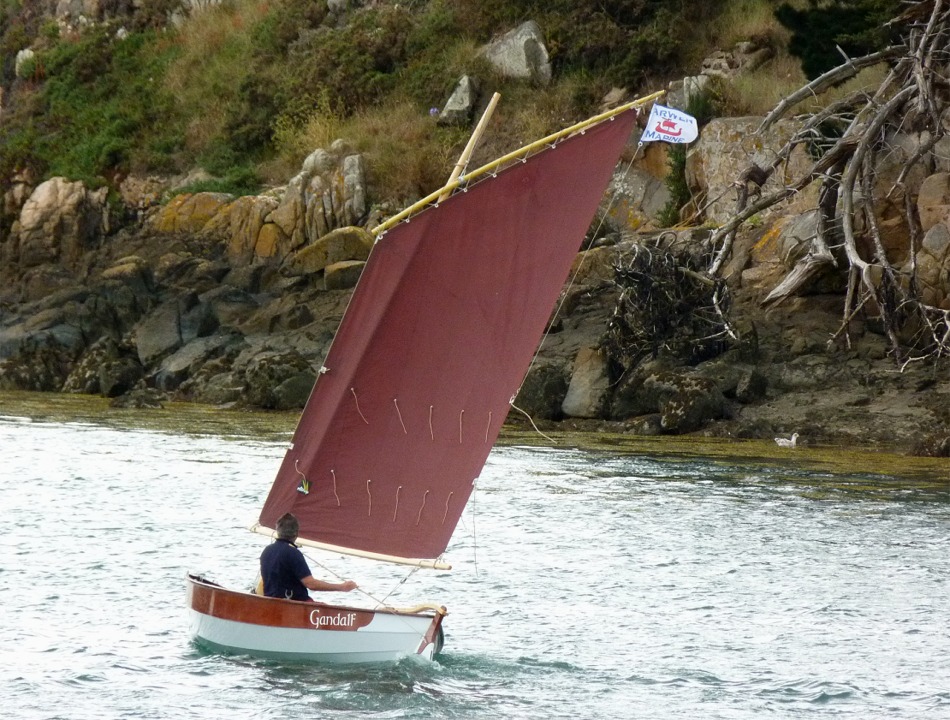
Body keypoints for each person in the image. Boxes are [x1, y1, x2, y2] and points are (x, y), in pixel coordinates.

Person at [259, 512, 358, 601]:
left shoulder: (266, 551)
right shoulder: (293, 553)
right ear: (296, 533)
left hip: (270, 603)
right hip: (292, 606)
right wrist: (341, 587)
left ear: (278, 531)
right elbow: (311, 584)